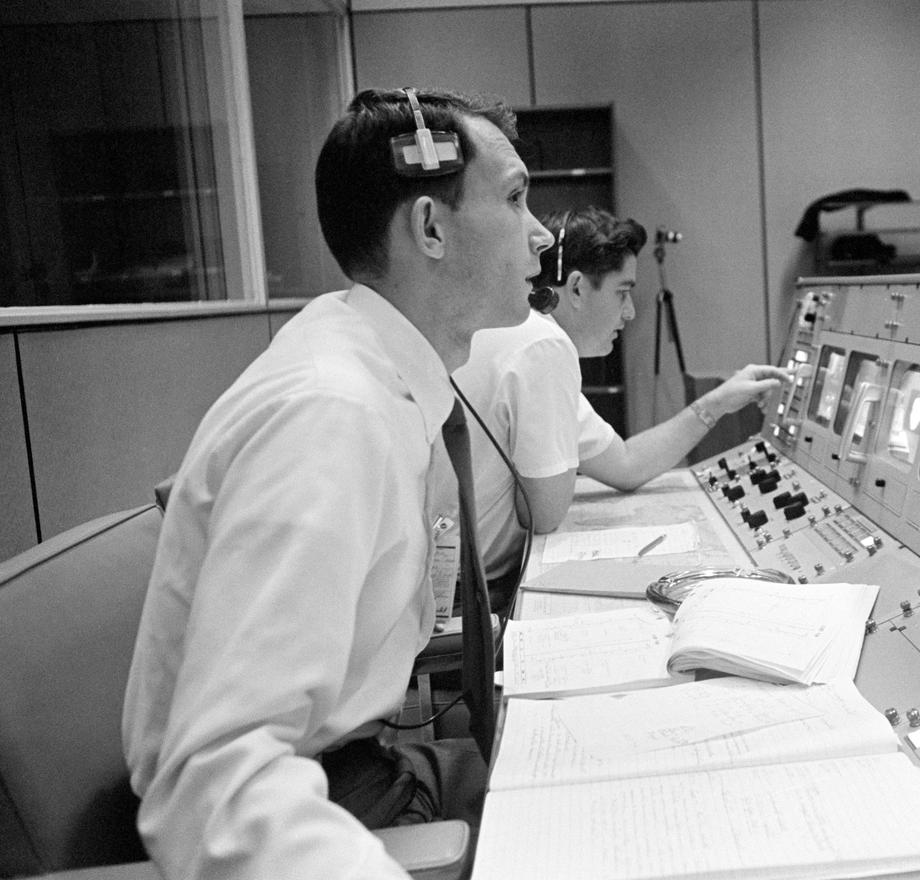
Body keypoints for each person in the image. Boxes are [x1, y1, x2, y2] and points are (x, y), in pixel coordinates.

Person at [122, 87, 553, 879]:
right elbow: (218, 786)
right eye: (516, 198)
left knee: (572, 775)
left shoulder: (375, 371)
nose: (542, 233)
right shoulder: (333, 414)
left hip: (358, 766)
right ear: (430, 227)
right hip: (312, 807)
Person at [453, 206, 790, 603]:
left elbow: (626, 464)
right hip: (468, 594)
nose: (629, 313)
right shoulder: (543, 345)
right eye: (622, 292)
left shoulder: (525, 335)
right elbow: (543, 515)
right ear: (576, 288)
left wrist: (718, 402)